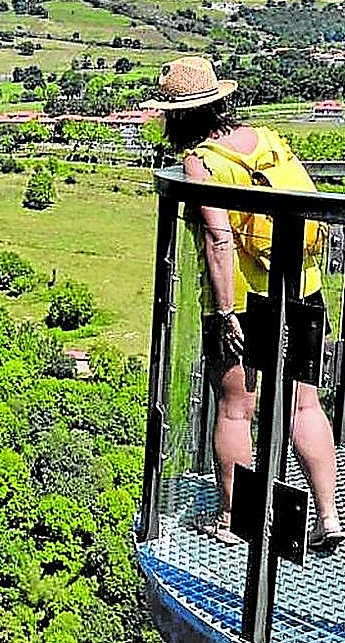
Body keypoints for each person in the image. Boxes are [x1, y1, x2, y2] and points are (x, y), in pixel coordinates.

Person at [142, 56, 344, 550]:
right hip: (305, 288)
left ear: (179, 115)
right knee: (303, 405)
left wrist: (226, 311)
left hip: (245, 302)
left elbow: (218, 239)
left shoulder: (201, 162)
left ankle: (234, 519)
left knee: (235, 411)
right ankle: (328, 515)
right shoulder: (268, 140)